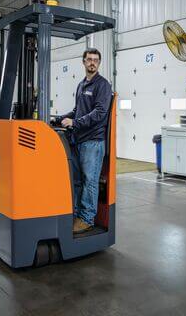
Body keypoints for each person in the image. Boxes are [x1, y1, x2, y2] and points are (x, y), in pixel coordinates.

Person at [56, 48, 112, 233]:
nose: (92, 63)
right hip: (79, 140)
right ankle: (77, 214)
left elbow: (100, 113)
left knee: (90, 181)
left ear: (99, 63)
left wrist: (75, 122)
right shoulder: (81, 85)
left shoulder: (102, 85)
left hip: (93, 142)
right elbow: (77, 110)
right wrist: (59, 118)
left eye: (96, 60)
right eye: (89, 59)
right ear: (83, 62)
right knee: (78, 180)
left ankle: (87, 218)